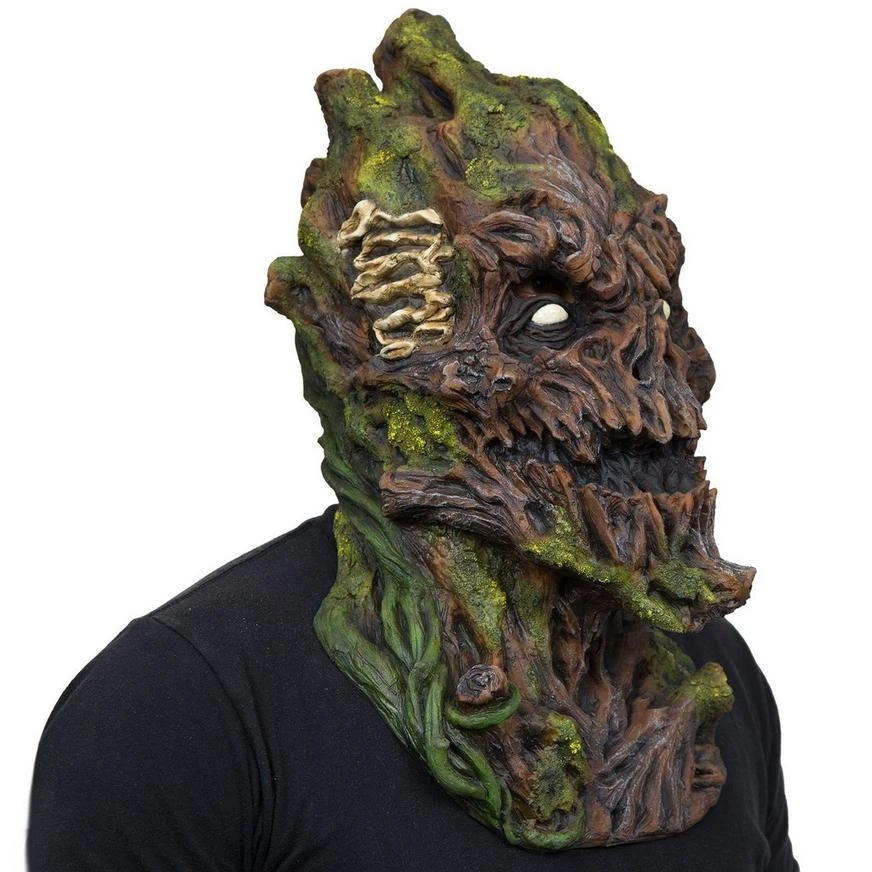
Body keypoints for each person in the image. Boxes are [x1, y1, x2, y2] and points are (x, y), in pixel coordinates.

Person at [28, 11, 798, 870]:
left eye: (660, 304)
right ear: (363, 355)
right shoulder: (178, 713)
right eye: (549, 314)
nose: (681, 369)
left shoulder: (705, 673)